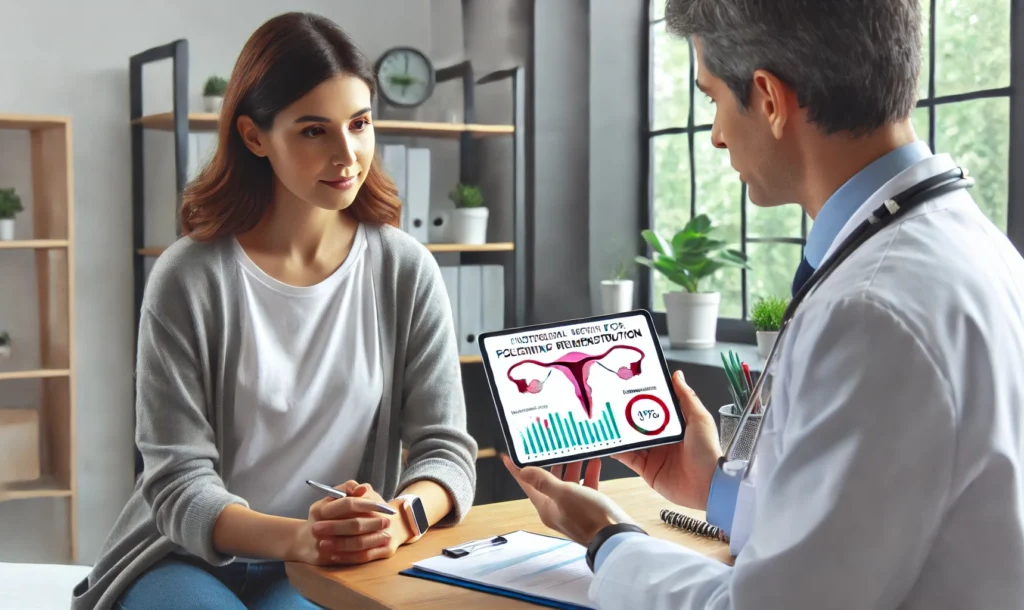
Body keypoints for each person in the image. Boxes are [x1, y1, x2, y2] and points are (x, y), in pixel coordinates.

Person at [504, 0, 1024, 608]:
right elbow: (872, 522)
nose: (719, 134)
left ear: (770, 100)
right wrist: (715, 486)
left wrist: (607, 538)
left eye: (712, 99)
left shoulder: (870, 312)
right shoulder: (982, 251)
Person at [72, 12, 477, 610]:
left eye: (359, 124)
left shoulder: (403, 270)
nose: (347, 154)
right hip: (183, 557)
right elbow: (176, 481)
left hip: (324, 566)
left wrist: (398, 519)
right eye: (314, 130)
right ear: (254, 136)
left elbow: (446, 449)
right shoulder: (189, 277)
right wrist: (301, 538)